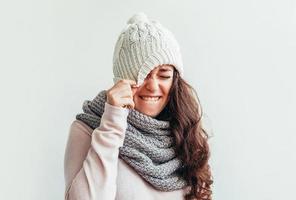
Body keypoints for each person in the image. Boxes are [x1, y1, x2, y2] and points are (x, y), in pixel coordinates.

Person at [64, 12, 213, 200]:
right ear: (122, 80)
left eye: (164, 75)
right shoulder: (87, 130)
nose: (152, 86)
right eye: (142, 75)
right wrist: (112, 122)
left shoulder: (186, 133)